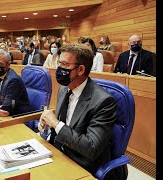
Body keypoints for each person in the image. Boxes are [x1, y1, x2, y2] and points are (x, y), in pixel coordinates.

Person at [38, 43, 125, 179]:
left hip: (82, 163)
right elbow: (66, 122)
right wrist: (48, 123)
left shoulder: (103, 102)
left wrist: (56, 124)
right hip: (59, 153)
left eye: (65, 65)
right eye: (59, 63)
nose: (59, 69)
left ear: (80, 70)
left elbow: (91, 148)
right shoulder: (64, 88)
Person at [0, 49, 33, 117]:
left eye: (0, 64)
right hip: (1, 115)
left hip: (19, 117)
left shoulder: (14, 81)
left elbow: (6, 109)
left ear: (8, 64)